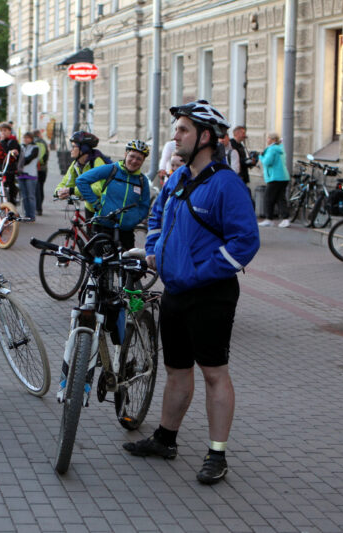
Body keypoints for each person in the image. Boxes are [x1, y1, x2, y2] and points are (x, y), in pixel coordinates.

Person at [123, 100, 260, 485]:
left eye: (183, 129)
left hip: (211, 294)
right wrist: (154, 251)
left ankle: (218, 454)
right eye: (176, 128)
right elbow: (156, 216)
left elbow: (245, 241)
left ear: (204, 137)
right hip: (175, 291)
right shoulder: (177, 179)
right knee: (175, 370)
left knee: (215, 373)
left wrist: (200, 271)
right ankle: (166, 439)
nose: (175, 135)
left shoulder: (225, 184)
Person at [76, 139, 151, 251]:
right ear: (125, 154)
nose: (134, 161)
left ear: (143, 161)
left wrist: (135, 218)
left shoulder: (142, 180)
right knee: (99, 262)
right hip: (103, 226)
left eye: (139, 159)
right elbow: (82, 180)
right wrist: (95, 203)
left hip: (126, 232)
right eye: (132, 156)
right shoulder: (112, 170)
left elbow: (144, 205)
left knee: (125, 263)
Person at [54, 131, 109, 219]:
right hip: (90, 206)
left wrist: (72, 191)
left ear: (83, 149)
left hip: (105, 208)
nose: (71, 150)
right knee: (89, 232)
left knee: (99, 232)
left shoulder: (97, 162)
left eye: (73, 147)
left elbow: (98, 189)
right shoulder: (75, 164)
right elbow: (66, 182)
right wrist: (58, 192)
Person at [258, 132, 290, 228]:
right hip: (283, 177)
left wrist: (260, 156)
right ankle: (285, 219)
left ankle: (269, 219)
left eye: (268, 138)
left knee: (268, 198)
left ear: (273, 140)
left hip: (274, 177)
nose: (267, 140)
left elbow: (267, 162)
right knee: (281, 198)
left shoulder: (272, 149)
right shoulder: (280, 148)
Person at [17, 132, 39, 221]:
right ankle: (26, 215)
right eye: (24, 138)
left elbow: (28, 159)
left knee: (30, 196)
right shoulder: (21, 147)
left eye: (27, 138)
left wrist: (20, 161)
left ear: (31, 139)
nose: (25, 140)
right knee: (24, 196)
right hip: (21, 174)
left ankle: (32, 216)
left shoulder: (35, 148)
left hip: (31, 174)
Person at [0, 122, 21, 204]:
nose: (3, 132)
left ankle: (12, 202)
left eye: (5, 130)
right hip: (1, 169)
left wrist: (2, 141)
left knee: (11, 190)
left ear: (9, 131)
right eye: (1, 131)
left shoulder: (13, 141)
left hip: (10, 169)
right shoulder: (0, 142)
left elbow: (7, 152)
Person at [33, 129, 49, 215]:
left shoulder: (33, 143)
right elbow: (46, 155)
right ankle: (40, 207)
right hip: (43, 168)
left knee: (36, 188)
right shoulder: (43, 142)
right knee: (41, 186)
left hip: (34, 168)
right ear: (39, 134)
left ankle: (37, 207)